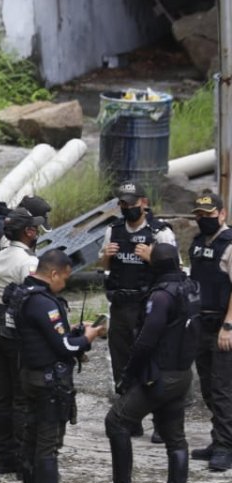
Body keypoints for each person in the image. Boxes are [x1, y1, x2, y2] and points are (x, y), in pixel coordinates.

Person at [83, 244, 200, 483]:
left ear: (155, 266)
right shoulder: (192, 287)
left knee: (116, 421)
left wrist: (128, 376)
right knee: (175, 439)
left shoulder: (160, 296)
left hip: (159, 375)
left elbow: (146, 341)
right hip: (182, 374)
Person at [10, 249, 106, 483]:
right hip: (48, 385)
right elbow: (64, 346)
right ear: (53, 274)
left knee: (30, 444)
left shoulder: (24, 293)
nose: (64, 283)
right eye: (64, 278)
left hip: (30, 377)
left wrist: (74, 330)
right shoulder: (44, 303)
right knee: (46, 449)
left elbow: (46, 337)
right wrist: (90, 336)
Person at [98, 181, 175, 439]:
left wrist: (151, 258)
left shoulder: (160, 232)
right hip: (120, 306)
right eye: (122, 203)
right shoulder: (114, 230)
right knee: (122, 364)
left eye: (131, 202)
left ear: (143, 202)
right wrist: (106, 257)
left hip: (150, 308)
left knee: (153, 365)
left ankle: (162, 423)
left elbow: (174, 270)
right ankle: (130, 418)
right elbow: (106, 269)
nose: (127, 207)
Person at [0, 196, 52, 444]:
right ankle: (14, 444)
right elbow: (30, 293)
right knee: (16, 385)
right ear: (26, 227)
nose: (39, 231)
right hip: (7, 313)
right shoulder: (19, 253)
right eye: (36, 227)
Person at [0, 206, 47, 474]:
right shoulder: (29, 262)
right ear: (29, 232)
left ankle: (4, 457)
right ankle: (25, 461)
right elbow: (32, 298)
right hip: (14, 325)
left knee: (1, 393)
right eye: (35, 228)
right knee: (21, 395)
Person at [187, 192, 232, 472]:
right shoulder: (198, 243)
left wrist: (228, 325)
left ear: (222, 214)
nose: (204, 220)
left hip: (222, 327)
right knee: (207, 385)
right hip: (201, 323)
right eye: (200, 215)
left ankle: (226, 447)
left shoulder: (229, 245)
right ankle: (219, 440)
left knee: (222, 388)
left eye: (209, 214)